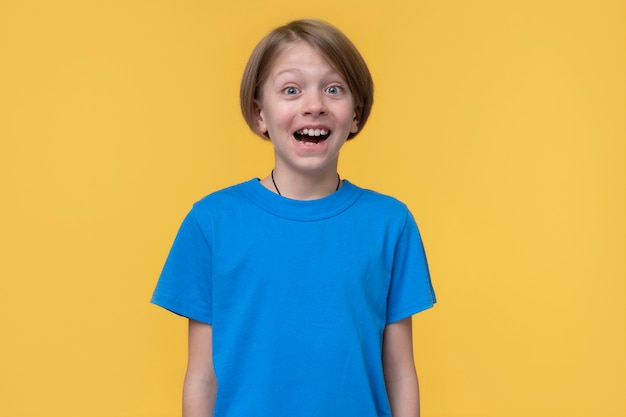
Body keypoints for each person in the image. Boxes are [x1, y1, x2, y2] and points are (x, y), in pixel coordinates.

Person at [151, 18, 436, 417]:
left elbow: (400, 372)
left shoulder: (390, 224)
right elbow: (202, 376)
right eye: (291, 89)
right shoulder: (212, 222)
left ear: (355, 114)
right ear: (259, 114)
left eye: (333, 89)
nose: (314, 104)